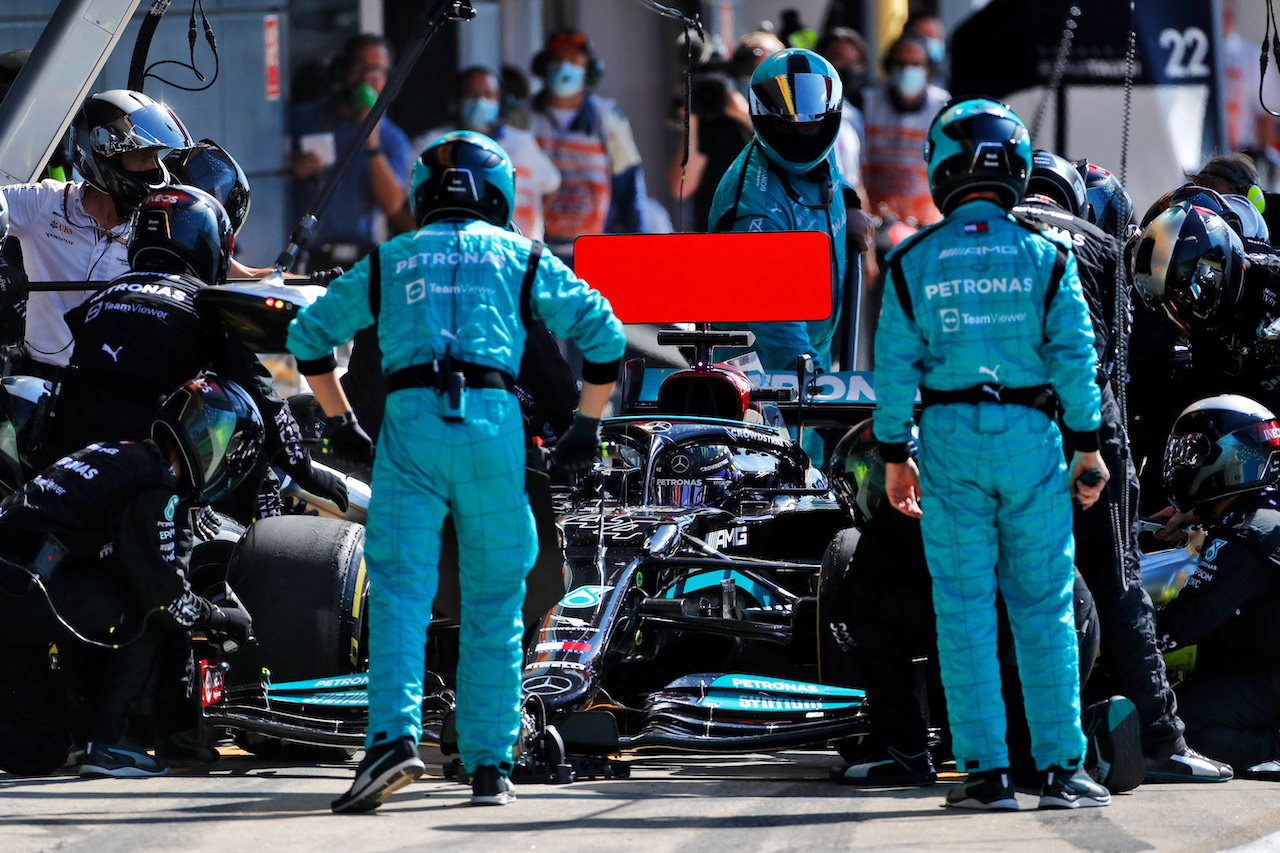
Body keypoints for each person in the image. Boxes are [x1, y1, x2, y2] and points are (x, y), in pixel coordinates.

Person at [285, 130, 625, 812]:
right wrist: (585, 428)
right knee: (497, 596)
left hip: (408, 426)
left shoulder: (390, 259)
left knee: (402, 590)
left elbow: (308, 336)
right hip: (495, 426)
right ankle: (490, 765)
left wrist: (340, 419)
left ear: (422, 195)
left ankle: (391, 742)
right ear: (497, 194)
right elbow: (605, 336)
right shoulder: (519, 255)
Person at [874, 97, 1110, 810]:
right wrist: (1088, 447)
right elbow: (1076, 356)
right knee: (1044, 607)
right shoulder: (1048, 258)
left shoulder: (911, 260)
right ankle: (1063, 771)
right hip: (1035, 440)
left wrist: (894, 455)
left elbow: (893, 371)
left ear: (941, 168)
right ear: (1015, 164)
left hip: (946, 443)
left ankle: (987, 777)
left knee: (964, 608)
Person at [1014, 152, 1233, 782]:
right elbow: (1112, 358)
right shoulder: (1098, 247)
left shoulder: (982, 240)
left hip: (993, 436)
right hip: (1082, 434)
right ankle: (1161, 741)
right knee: (1116, 581)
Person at [823, 421, 1140, 793]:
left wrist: (842, 630)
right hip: (1066, 618)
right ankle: (1078, 740)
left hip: (1028, 630)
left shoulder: (905, 517)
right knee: (1020, 763)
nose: (869, 485)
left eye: (870, 472)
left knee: (871, 595)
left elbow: (847, 598)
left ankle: (901, 749)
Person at [0, 376, 259, 777]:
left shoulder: (117, 452)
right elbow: (165, 597)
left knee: (40, 751)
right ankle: (110, 743)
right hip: (19, 592)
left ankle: (87, 733)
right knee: (146, 607)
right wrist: (222, 618)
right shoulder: (152, 486)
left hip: (18, 596)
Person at [45, 186, 346, 519]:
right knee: (242, 416)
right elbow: (266, 400)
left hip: (66, 461)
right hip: (151, 474)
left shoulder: (98, 299)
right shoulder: (207, 308)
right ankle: (237, 554)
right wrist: (310, 473)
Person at [1, 89, 193, 375]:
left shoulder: (158, 222)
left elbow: (227, 268)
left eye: (156, 156)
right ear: (103, 156)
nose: (155, 168)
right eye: (143, 156)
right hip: (37, 380)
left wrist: (270, 279)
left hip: (115, 389)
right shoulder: (45, 203)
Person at [707, 48, 873, 376]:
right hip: (763, 377)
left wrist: (850, 205)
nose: (800, 129)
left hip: (811, 351)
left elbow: (829, 176)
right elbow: (778, 326)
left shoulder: (823, 149)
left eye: (811, 123)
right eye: (786, 122)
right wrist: (819, 389)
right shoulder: (755, 212)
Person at [1155, 394, 1280, 779]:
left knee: (1177, 726)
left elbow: (1182, 626)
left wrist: (1116, 630)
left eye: (1193, 453)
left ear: (1231, 457)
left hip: (1269, 678)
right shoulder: (1261, 517)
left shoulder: (1244, 539)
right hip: (1263, 668)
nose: (1183, 463)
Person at [290, 33, 415, 271]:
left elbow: (392, 205)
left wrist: (372, 142)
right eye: (359, 68)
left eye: (376, 72)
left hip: (356, 258)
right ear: (342, 69)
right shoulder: (302, 118)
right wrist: (291, 167)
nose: (366, 79)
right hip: (302, 255)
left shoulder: (392, 138)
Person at [526, 29, 646, 265]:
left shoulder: (608, 119)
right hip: (533, 252)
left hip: (591, 252)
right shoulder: (522, 117)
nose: (564, 67)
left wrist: (641, 251)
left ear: (588, 70)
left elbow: (630, 190)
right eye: (557, 59)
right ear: (544, 66)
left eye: (573, 61)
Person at [413, 66, 560, 241]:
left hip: (524, 257)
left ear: (501, 102)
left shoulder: (524, 143)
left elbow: (550, 186)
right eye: (472, 94)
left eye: (488, 95)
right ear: (457, 100)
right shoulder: (434, 145)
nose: (480, 101)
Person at [667, 31, 783, 233]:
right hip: (717, 238)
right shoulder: (714, 119)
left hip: (770, 232)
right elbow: (681, 188)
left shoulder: (788, 120)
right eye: (753, 71)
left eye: (767, 73)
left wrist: (744, 114)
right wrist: (692, 122)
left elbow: (787, 158)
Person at [860, 34, 949, 229]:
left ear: (928, 69)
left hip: (926, 227)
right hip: (877, 227)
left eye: (915, 64)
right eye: (900, 64)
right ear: (888, 67)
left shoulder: (943, 107)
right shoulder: (867, 102)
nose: (907, 70)